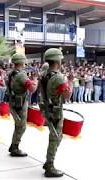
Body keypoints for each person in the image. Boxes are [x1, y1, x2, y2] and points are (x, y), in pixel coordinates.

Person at [39, 48, 71, 177]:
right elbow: (67, 96)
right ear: (57, 60)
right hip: (55, 111)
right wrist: (69, 81)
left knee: (55, 136)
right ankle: (50, 165)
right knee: (55, 137)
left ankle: (49, 162)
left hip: (47, 108)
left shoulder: (44, 74)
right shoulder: (58, 78)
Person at [7, 53, 37, 156]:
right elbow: (32, 89)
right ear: (21, 62)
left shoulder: (11, 74)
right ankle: (15, 147)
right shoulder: (22, 75)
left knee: (18, 125)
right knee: (21, 126)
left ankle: (13, 145)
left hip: (13, 101)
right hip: (20, 102)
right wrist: (35, 80)